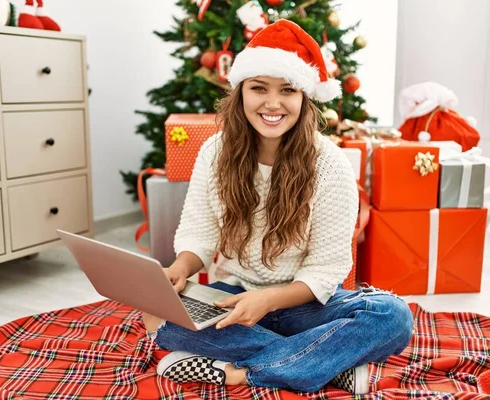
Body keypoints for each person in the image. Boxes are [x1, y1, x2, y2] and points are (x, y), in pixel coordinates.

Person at [143, 19, 413, 395]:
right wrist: (179, 269)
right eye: (258, 88)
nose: (272, 103)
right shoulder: (214, 152)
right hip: (233, 296)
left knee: (392, 316)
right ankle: (329, 363)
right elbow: (199, 233)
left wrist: (268, 300)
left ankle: (243, 370)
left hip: (305, 303)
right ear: (241, 93)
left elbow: (327, 270)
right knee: (160, 321)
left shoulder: (330, 164)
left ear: (304, 97)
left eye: (287, 90)